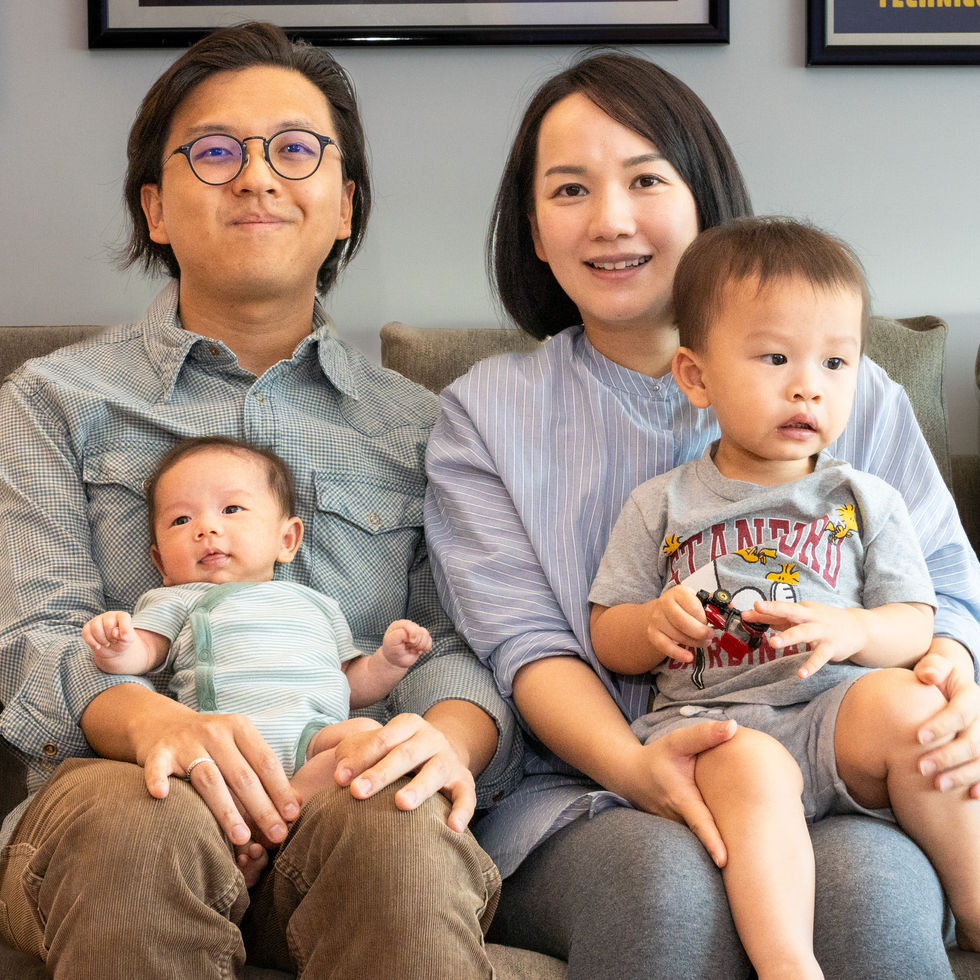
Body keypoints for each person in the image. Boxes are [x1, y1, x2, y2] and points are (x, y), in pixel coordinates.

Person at [424, 52, 980, 979]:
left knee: (872, 895)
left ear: (702, 197)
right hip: (586, 785)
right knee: (664, 890)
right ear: (534, 229)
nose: (610, 220)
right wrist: (640, 771)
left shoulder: (851, 387)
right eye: (570, 190)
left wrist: (947, 685)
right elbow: (528, 645)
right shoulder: (485, 414)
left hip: (836, 751)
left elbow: (946, 590)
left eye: (646, 178)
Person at [0, 22, 514, 978]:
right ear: (154, 208)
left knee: (397, 826)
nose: (256, 177)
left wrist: (435, 742)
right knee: (136, 817)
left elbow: (464, 644)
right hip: (119, 794)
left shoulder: (424, 426)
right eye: (215, 151)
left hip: (344, 797)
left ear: (344, 205)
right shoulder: (53, 401)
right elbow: (34, 644)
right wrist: (155, 722)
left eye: (295, 148)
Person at [589, 216, 980, 978]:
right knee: (755, 769)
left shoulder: (868, 499)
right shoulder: (661, 504)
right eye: (775, 358)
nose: (809, 384)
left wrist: (851, 629)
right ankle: (789, 965)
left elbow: (914, 625)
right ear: (696, 377)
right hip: (714, 728)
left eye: (836, 362)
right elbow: (608, 634)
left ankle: (975, 903)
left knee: (914, 710)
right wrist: (652, 624)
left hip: (835, 711)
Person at [83, 436, 435, 886]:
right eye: (181, 519)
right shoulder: (179, 598)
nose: (205, 529)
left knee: (368, 734)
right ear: (160, 562)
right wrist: (116, 646)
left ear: (286, 539)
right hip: (220, 744)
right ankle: (238, 845)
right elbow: (145, 653)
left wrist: (390, 659)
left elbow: (354, 683)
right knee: (184, 792)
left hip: (313, 740)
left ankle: (273, 827)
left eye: (231, 510)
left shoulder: (319, 605)